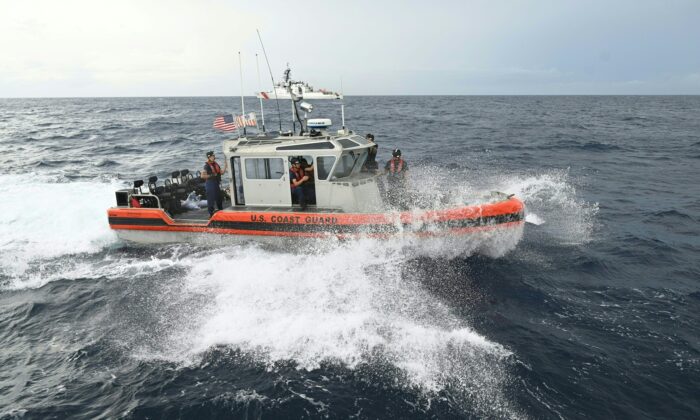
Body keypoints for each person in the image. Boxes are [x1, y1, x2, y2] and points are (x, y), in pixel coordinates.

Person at [201, 151, 227, 216]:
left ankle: (221, 211)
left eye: (213, 156)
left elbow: (221, 172)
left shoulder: (216, 164)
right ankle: (211, 214)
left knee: (219, 198)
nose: (213, 157)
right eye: (211, 156)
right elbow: (202, 176)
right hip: (210, 184)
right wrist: (211, 175)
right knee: (211, 199)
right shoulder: (206, 166)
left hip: (216, 183)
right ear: (208, 157)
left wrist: (225, 166)